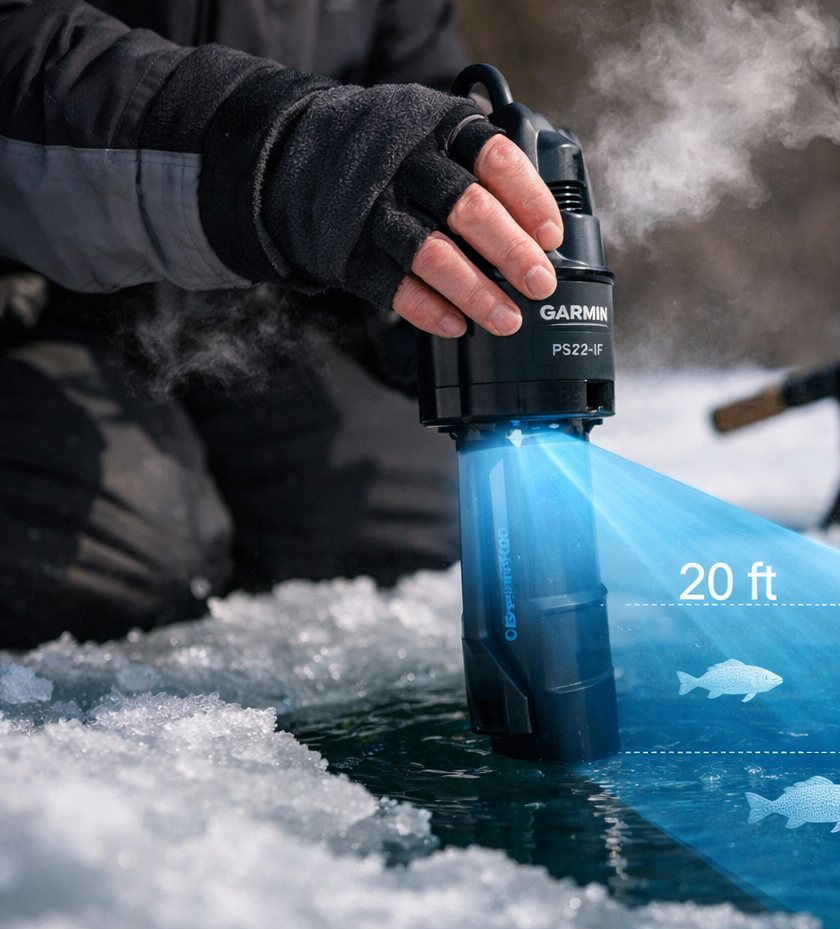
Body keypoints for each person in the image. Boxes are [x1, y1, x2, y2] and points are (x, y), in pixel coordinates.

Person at [0, 0, 561, 649]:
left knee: (416, 518)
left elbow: (421, 97)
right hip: (38, 304)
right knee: (119, 557)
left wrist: (422, 280)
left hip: (259, 321)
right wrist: (282, 155)